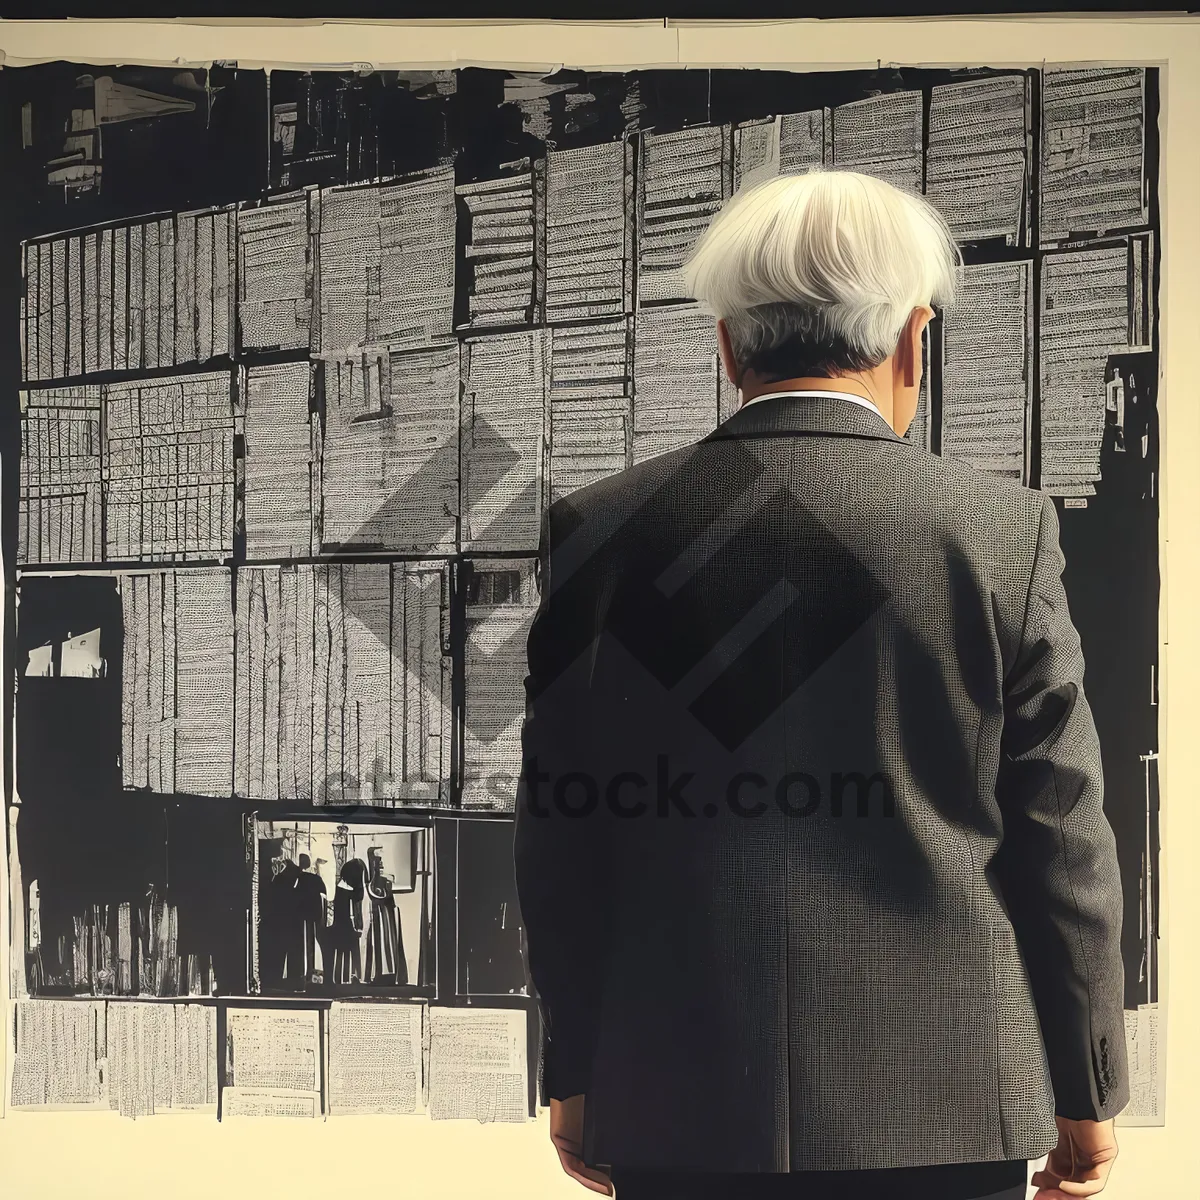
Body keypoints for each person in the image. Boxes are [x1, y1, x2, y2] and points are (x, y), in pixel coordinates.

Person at [513, 169, 1127, 1200]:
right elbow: (1062, 837)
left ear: (728, 345)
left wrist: (575, 1071)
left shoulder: (601, 534)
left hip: (678, 1099)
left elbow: (564, 838)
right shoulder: (998, 536)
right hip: (949, 1108)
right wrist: (1087, 1096)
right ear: (913, 342)